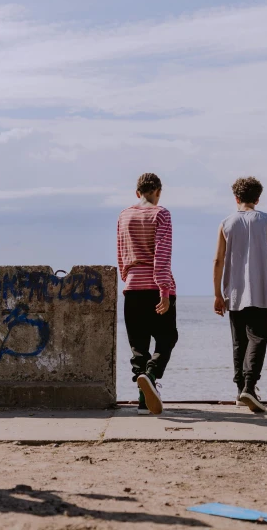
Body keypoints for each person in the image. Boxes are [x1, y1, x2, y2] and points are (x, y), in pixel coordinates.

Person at [117, 172, 177, 416]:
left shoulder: (124, 215)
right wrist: (164, 290)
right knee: (167, 337)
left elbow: (120, 250)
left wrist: (127, 276)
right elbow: (162, 254)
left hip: (132, 287)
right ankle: (151, 374)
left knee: (138, 345)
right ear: (158, 192)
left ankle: (143, 401)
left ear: (137, 192)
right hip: (156, 287)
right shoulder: (161, 213)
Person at [213, 176, 267, 413]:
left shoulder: (226, 223)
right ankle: (249, 386)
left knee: (239, 341)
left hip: (234, 291)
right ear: (258, 198)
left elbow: (218, 260)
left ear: (236, 198)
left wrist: (217, 293)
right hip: (261, 289)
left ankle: (240, 392)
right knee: (258, 337)